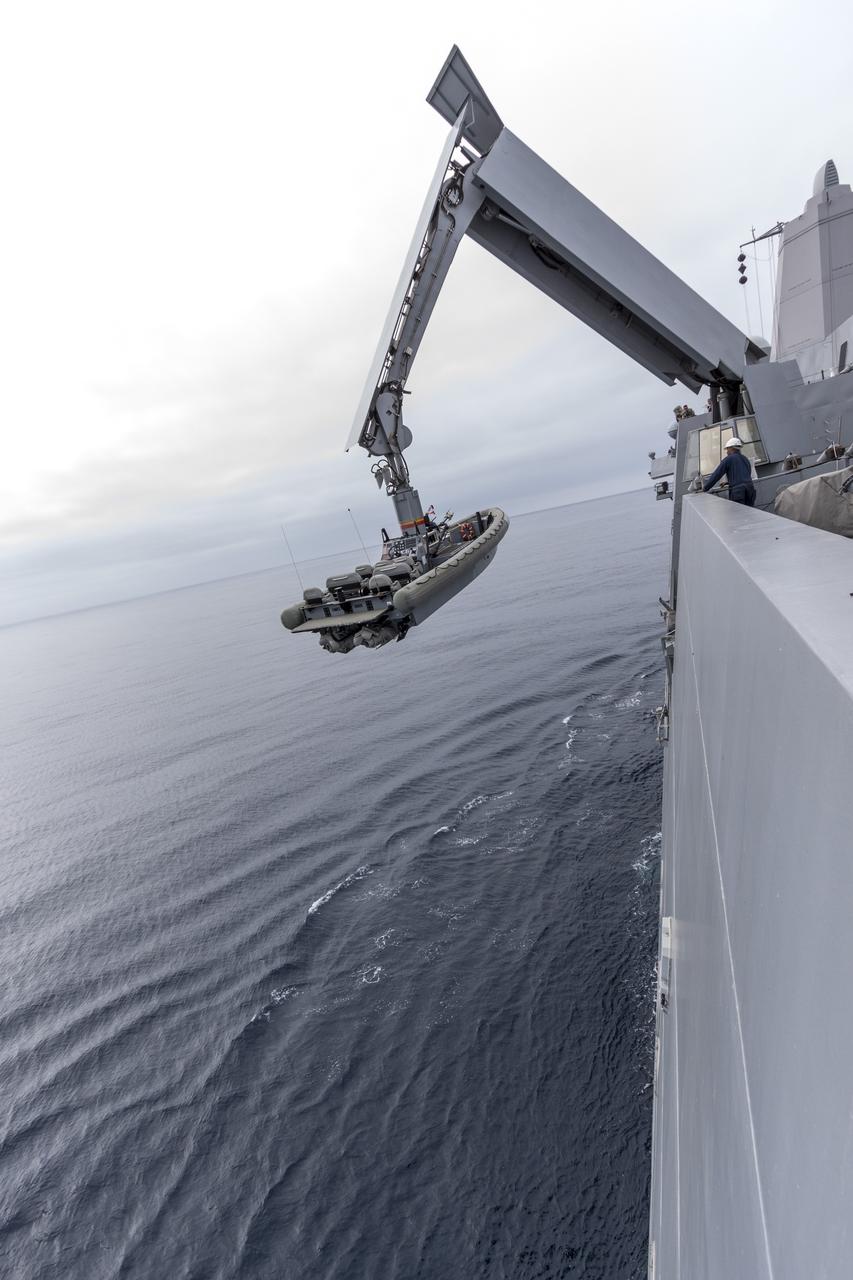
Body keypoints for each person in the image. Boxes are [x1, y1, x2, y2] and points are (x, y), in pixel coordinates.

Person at [702, 437, 756, 505]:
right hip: (750, 490)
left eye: (727, 449)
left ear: (731, 448)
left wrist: (705, 488)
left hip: (738, 492)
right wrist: (728, 483)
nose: (727, 451)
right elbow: (745, 476)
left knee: (740, 513)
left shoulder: (728, 459)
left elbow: (716, 475)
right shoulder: (745, 459)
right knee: (750, 512)